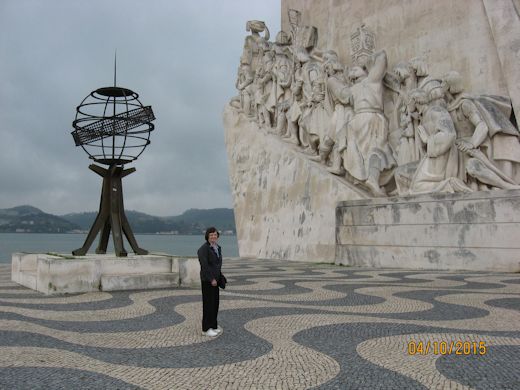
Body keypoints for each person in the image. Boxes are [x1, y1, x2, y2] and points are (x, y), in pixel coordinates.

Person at [197, 227, 224, 337]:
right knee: (208, 304)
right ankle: (206, 328)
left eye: (215, 235)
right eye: (211, 235)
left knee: (215, 303)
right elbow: (205, 266)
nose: (213, 236)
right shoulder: (203, 249)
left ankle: (213, 325)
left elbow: (217, 264)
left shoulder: (217, 248)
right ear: (207, 236)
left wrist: (219, 277)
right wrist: (211, 278)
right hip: (208, 281)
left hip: (216, 280)